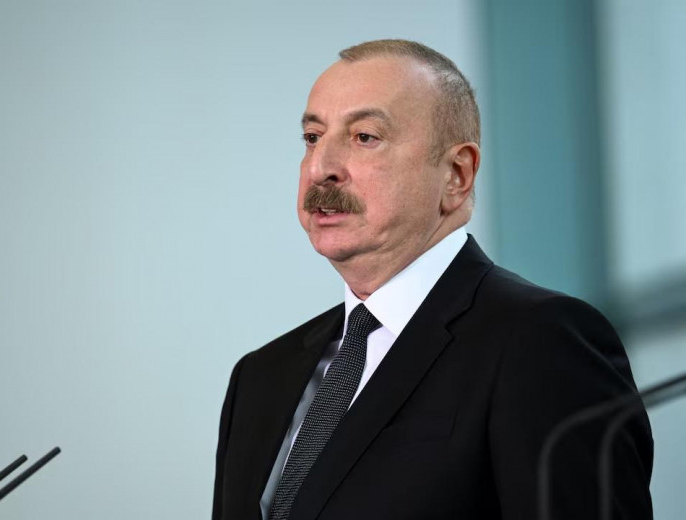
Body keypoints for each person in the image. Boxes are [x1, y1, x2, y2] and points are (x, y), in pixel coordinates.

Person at [212, 39, 653, 520]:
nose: (321, 168)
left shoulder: (539, 341)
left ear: (457, 175)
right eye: (313, 137)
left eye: (365, 137)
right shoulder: (260, 377)